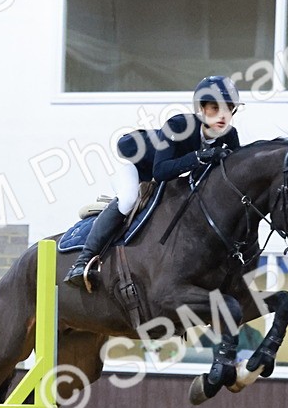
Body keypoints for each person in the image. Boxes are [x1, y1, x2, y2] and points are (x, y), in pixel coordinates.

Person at [64, 75, 244, 289]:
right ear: (202, 109)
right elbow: (160, 171)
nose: (222, 115)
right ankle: (83, 261)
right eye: (215, 108)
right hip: (136, 167)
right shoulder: (179, 125)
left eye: (228, 108)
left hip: (171, 178)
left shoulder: (230, 136)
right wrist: (198, 157)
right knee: (128, 200)